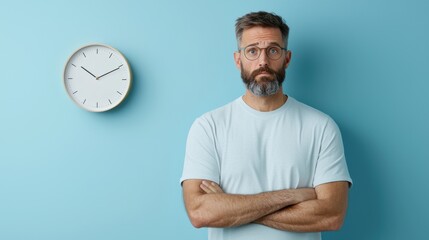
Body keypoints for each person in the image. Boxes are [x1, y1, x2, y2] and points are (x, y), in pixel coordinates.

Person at [180, 11, 352, 240]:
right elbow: (200, 212)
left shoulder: (321, 127)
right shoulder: (208, 126)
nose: (263, 62)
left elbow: (331, 216)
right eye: (252, 51)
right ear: (238, 59)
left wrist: (231, 207)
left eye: (273, 50)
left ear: (287, 58)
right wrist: (292, 196)